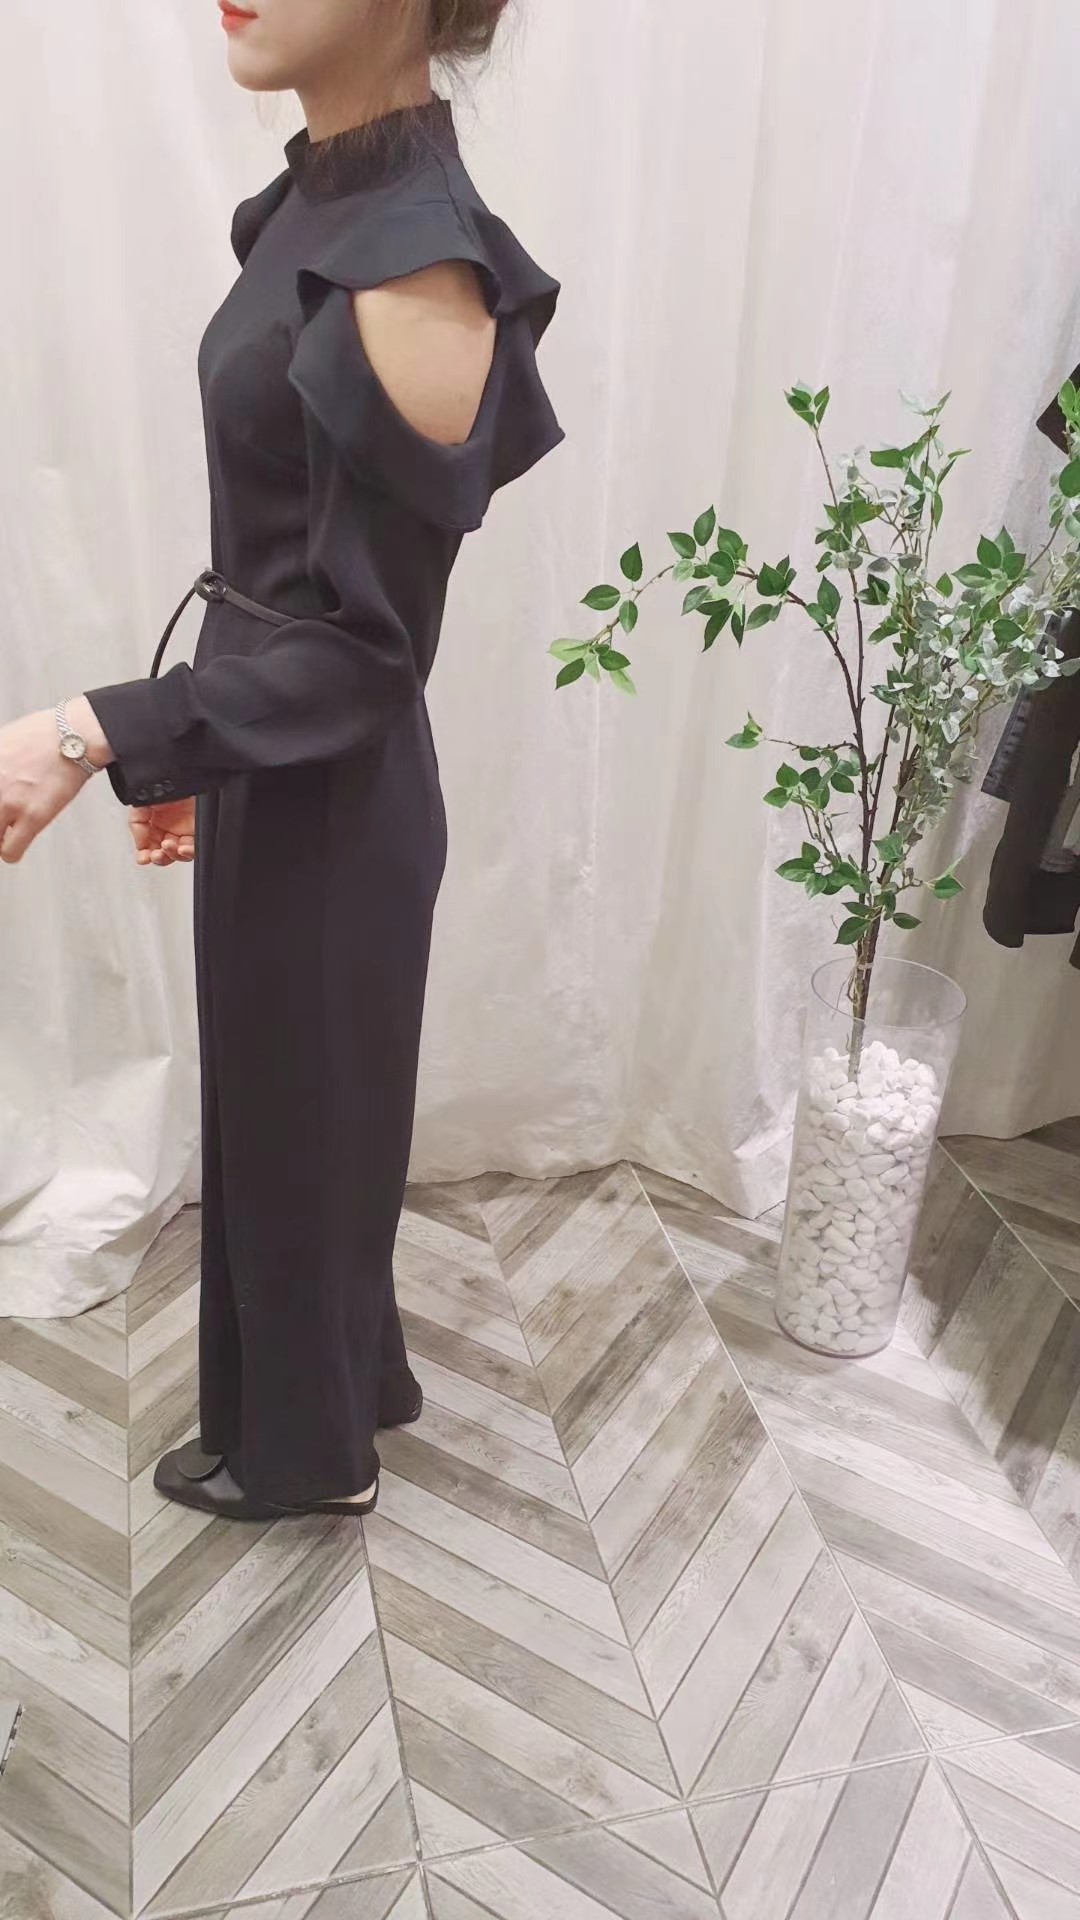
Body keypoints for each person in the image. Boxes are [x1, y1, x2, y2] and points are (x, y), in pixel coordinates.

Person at [0, 0, 563, 1520]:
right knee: (289, 1108)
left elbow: (368, 661)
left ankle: (311, 1461)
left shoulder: (414, 266)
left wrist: (91, 729)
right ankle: (343, 1387)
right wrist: (200, 740)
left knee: (308, 1119)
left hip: (336, 792)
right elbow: (296, 581)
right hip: (276, 754)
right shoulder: (329, 203)